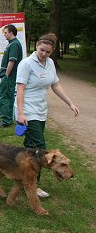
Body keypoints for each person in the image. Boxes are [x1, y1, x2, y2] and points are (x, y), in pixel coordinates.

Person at [15, 33, 79, 198]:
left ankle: (22, 176)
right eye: (42, 50)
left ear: (52, 52)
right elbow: (20, 89)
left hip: (41, 110)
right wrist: (21, 113)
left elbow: (55, 85)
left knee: (30, 147)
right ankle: (33, 185)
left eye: (48, 52)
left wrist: (70, 103)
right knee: (39, 149)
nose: (44, 54)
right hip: (27, 111)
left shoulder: (50, 63)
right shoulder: (26, 64)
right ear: (36, 45)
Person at [0, 24, 23, 127]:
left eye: (6, 32)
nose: (4, 35)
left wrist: (6, 75)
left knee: (5, 97)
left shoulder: (14, 44)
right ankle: (7, 119)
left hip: (9, 76)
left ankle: (6, 121)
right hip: (8, 76)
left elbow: (12, 61)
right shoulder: (12, 43)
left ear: (11, 32)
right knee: (8, 96)